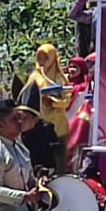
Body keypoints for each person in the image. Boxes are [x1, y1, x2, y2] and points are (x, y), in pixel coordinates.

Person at [28, 43, 72, 172]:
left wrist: (52, 102)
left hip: (58, 124)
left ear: (52, 58)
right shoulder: (34, 77)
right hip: (40, 123)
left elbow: (66, 99)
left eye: (45, 57)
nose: (42, 61)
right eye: (39, 57)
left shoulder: (60, 77)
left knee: (59, 156)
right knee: (42, 155)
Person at [15, 78, 65, 179]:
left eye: (25, 118)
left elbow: (50, 164)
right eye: (18, 117)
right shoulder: (13, 130)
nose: (20, 121)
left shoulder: (45, 134)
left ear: (36, 119)